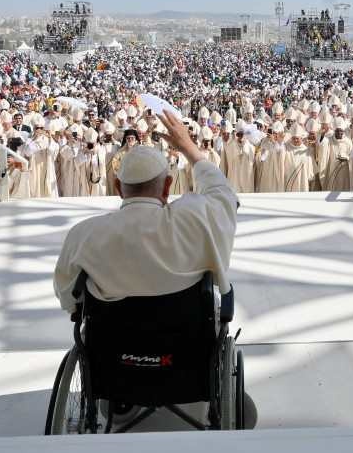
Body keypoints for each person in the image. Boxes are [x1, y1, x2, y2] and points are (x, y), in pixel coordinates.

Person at [53, 109, 238, 311]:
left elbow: (68, 299)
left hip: (108, 341)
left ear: (118, 188)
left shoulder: (83, 236)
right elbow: (223, 193)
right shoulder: (196, 218)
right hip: (189, 340)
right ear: (168, 186)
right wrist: (188, 146)